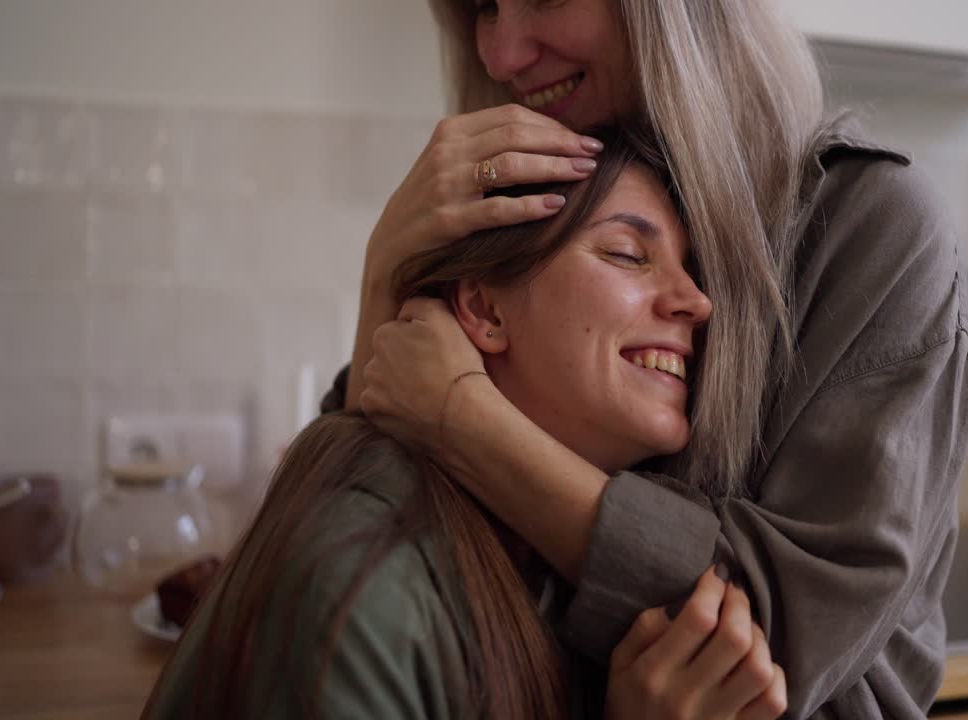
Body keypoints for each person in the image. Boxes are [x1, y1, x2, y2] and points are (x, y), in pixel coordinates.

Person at [329, 0, 968, 716]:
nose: (503, 55)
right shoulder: (530, 230)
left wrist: (463, 419)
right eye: (483, 7)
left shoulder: (877, 226)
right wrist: (384, 269)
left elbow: (762, 647)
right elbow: (344, 529)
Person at [143, 126, 788, 720]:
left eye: (692, 268)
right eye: (626, 253)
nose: (697, 302)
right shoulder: (364, 592)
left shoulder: (539, 573)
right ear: (485, 309)